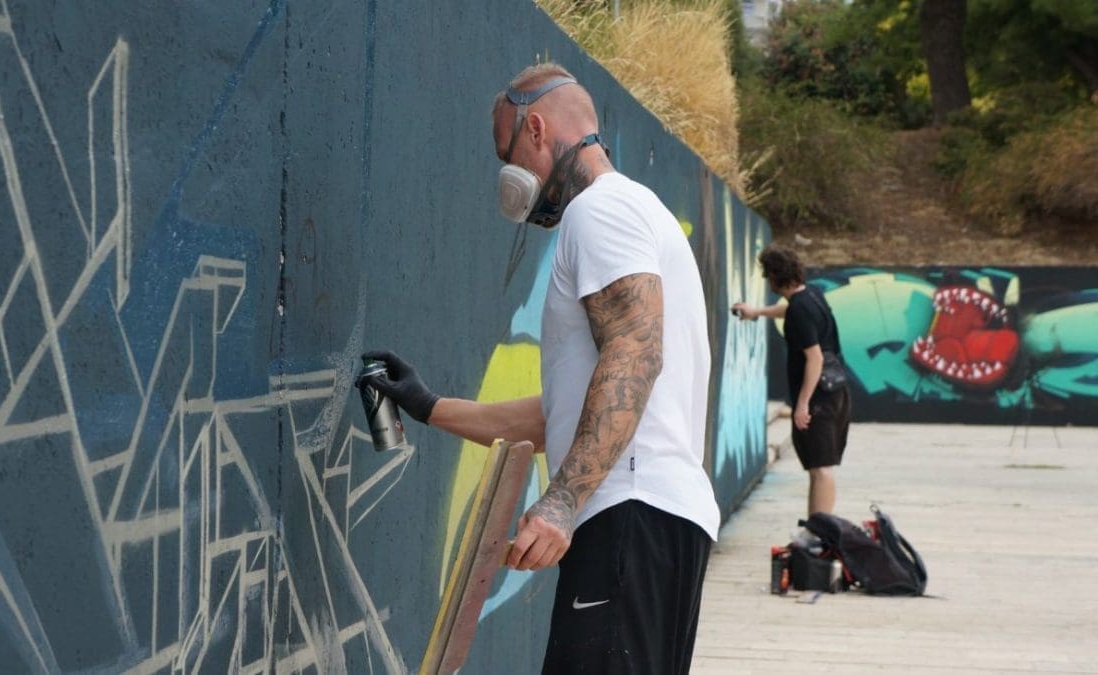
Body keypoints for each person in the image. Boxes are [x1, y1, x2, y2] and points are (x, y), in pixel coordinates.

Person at [364, 62, 720, 673]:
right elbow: (569, 414)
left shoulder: (599, 210)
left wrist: (560, 503)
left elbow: (634, 351)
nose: (513, 178)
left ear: (536, 129)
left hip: (626, 516)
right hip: (658, 525)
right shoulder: (643, 212)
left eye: (509, 157)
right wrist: (429, 407)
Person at [732, 244, 850, 516]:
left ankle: (821, 532)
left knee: (821, 469)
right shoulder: (811, 295)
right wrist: (757, 312)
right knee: (821, 468)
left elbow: (814, 358)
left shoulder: (799, 310)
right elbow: (789, 310)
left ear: (774, 276)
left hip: (819, 397)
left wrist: (802, 404)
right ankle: (817, 529)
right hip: (835, 389)